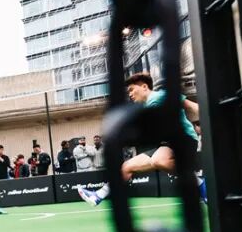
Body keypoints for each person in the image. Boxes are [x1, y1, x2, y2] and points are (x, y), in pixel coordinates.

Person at [78, 73, 204, 206]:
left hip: (185, 139)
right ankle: (98, 196)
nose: (130, 94)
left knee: (159, 160)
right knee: (126, 167)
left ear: (144, 87)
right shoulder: (145, 108)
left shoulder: (160, 96)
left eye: (132, 89)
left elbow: (191, 106)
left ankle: (200, 183)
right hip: (165, 145)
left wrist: (211, 117)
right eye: (128, 92)